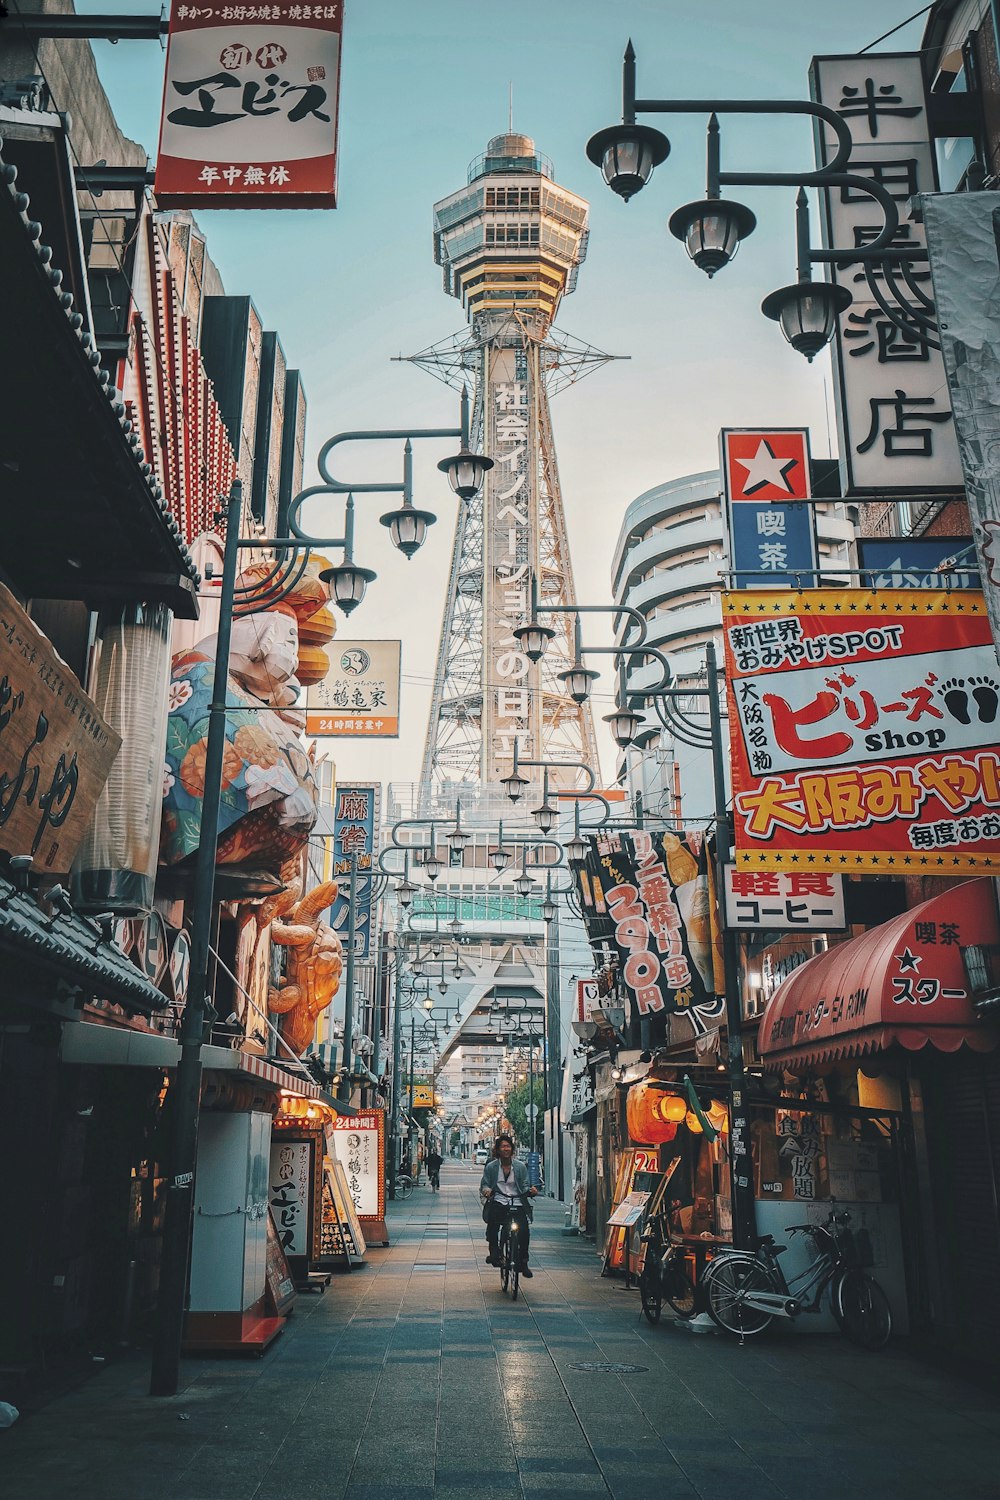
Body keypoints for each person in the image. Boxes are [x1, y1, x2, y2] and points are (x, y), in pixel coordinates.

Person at [480, 1135, 537, 1277]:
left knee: (524, 1231)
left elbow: (525, 1184)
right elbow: (485, 1184)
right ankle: (494, 1252)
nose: (506, 1149)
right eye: (503, 1146)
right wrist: (487, 1190)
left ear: (512, 1149)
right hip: (499, 1201)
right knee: (493, 1226)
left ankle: (523, 1262)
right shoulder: (492, 1167)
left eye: (508, 1146)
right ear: (498, 1150)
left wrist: (530, 1191)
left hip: (517, 1202)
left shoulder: (520, 1166)